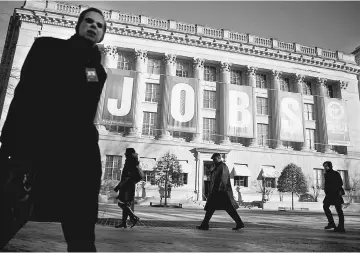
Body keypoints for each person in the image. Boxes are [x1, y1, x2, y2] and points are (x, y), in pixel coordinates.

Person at [0, 7, 107, 251]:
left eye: (99, 26)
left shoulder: (96, 71)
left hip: (78, 155)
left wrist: (91, 61)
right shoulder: (47, 47)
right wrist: (10, 142)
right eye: (88, 22)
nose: (93, 27)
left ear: (102, 36)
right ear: (78, 25)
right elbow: (24, 93)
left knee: (81, 231)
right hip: (38, 146)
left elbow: (86, 107)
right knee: (12, 211)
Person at [197, 153, 244, 230]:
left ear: (219, 158)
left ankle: (239, 223)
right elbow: (214, 177)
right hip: (217, 192)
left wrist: (219, 190)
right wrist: (211, 171)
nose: (213, 161)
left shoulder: (223, 166)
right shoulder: (218, 167)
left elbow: (223, 180)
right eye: (213, 159)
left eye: (214, 159)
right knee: (211, 208)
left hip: (221, 192)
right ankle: (204, 224)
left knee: (228, 209)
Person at [114, 148, 144, 228]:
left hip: (126, 186)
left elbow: (127, 176)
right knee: (126, 204)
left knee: (121, 203)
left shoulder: (129, 162)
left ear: (128, 154)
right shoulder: (135, 161)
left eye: (126, 152)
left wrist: (118, 186)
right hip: (130, 185)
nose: (124, 154)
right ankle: (124, 223)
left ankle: (133, 217)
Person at [322, 161, 345, 233]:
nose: (325, 168)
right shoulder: (330, 174)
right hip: (332, 194)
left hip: (334, 194)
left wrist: (332, 189)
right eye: (324, 166)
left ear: (330, 166)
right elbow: (340, 183)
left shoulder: (332, 173)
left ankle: (338, 226)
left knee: (338, 210)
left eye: (326, 166)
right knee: (335, 209)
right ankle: (333, 224)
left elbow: (340, 183)